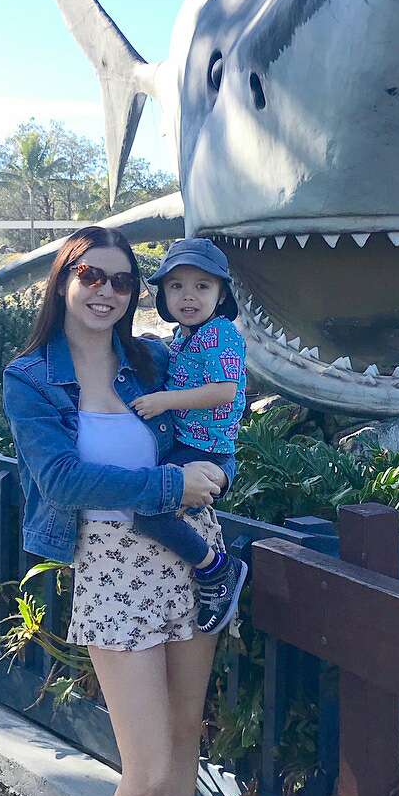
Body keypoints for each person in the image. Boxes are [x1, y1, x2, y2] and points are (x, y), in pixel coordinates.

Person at [2, 226, 235, 796]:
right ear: (64, 281)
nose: (107, 291)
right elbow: (62, 481)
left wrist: (216, 469)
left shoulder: (154, 361)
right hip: (111, 567)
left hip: (190, 553)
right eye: (92, 276)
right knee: (148, 770)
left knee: (186, 733)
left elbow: (219, 406)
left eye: (123, 281)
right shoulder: (30, 380)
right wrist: (170, 484)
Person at [128, 238, 248, 633]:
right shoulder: (185, 336)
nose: (188, 296)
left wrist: (164, 400)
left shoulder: (220, 334)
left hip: (207, 451)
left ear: (221, 294)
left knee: (150, 511)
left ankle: (217, 569)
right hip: (188, 447)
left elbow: (223, 390)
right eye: (176, 286)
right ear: (162, 295)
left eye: (202, 286)